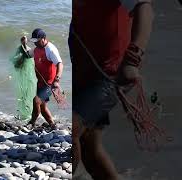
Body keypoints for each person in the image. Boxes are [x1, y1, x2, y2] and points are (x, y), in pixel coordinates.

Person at [68, 0, 154, 179]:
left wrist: (133, 60)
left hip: (113, 73)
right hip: (83, 73)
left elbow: (145, 8)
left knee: (71, 131)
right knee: (89, 148)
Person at [22, 28, 64, 129]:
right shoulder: (36, 49)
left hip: (50, 83)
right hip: (40, 82)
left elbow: (60, 64)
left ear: (43, 39)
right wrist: (23, 44)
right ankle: (52, 125)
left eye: (37, 41)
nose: (35, 43)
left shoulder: (50, 49)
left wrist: (57, 80)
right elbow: (28, 55)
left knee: (36, 101)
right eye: (33, 41)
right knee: (42, 106)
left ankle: (31, 122)